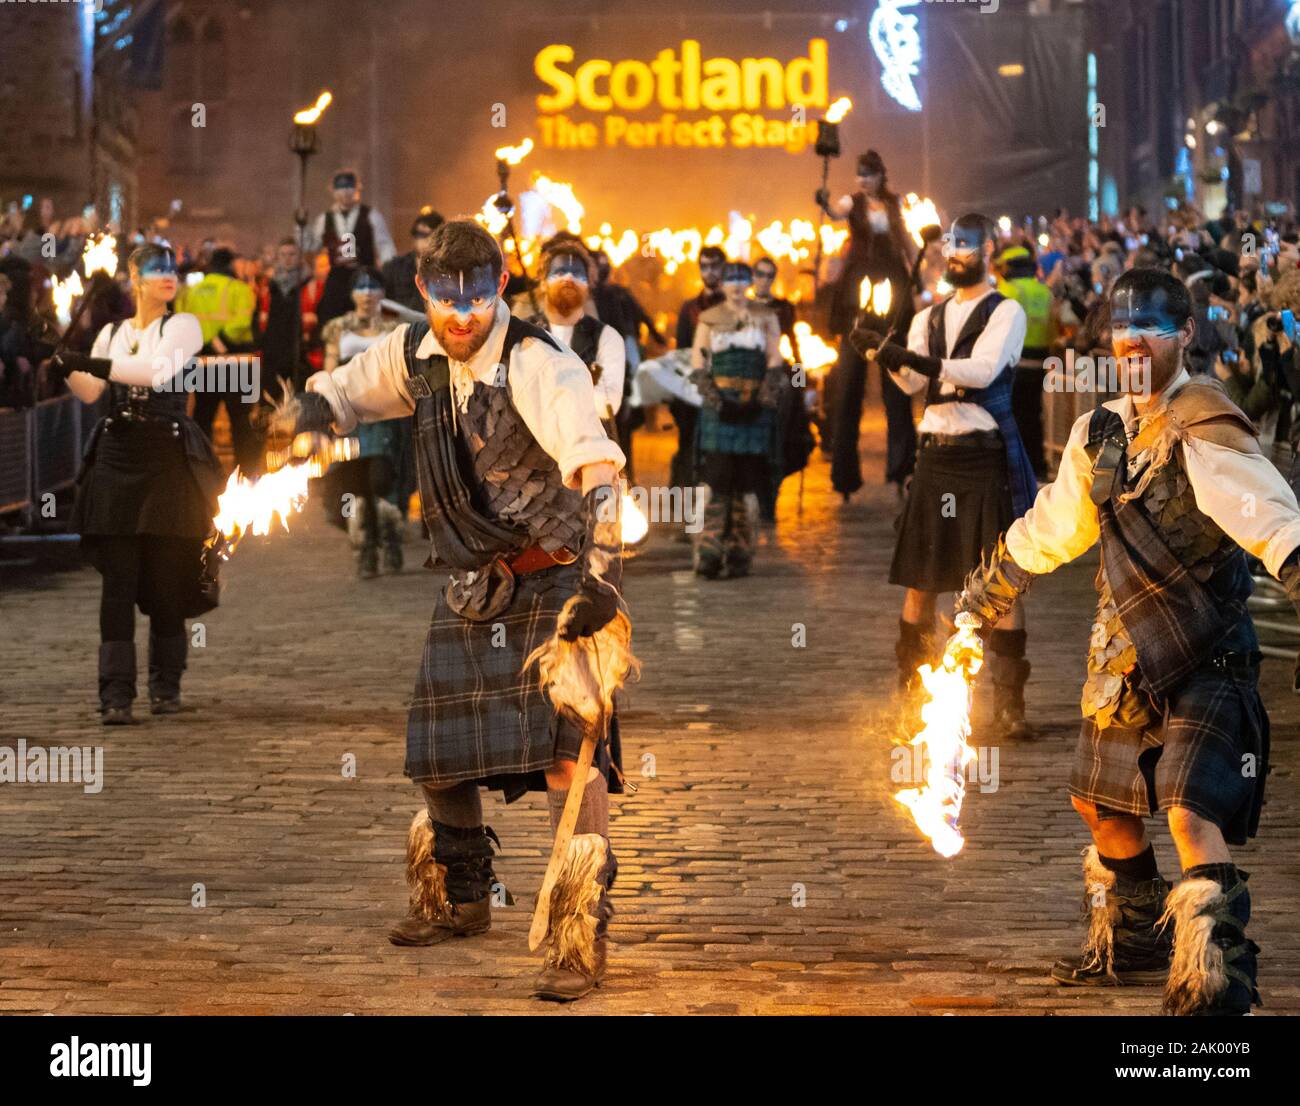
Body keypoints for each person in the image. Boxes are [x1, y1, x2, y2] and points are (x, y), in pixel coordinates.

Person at [289, 219, 628, 1001]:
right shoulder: (413, 356)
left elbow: (598, 470)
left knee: (566, 765)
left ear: (502, 286)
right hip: (474, 581)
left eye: (477, 298)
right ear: (423, 293)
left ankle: (578, 938)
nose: (463, 315)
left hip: (557, 581)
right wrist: (307, 417)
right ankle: (462, 900)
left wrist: (601, 584)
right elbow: (341, 393)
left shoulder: (543, 363)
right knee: (436, 755)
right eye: (447, 300)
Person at [953, 268, 1300, 1016]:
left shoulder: (1205, 423)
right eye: (1122, 329)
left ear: (1185, 336)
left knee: (1185, 808)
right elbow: (1058, 526)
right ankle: (1136, 933)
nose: (1131, 342)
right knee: (1100, 805)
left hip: (1203, 644)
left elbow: (1272, 520)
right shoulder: (1099, 429)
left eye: (1150, 329)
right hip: (1123, 651)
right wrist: (992, 588)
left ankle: (1215, 975)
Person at [851, 213, 1034, 741]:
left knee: (1003, 582)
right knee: (921, 580)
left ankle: (1010, 703)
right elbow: (911, 384)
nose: (954, 255)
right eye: (950, 247)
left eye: (965, 247)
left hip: (983, 456)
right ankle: (911, 691)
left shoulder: (1008, 312)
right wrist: (879, 354)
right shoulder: (927, 317)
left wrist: (906, 356)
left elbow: (982, 371)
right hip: (935, 456)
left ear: (988, 250)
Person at [48, 245, 224, 724]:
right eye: (155, 269)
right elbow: (92, 392)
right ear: (134, 277)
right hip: (118, 457)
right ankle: (116, 694)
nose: (168, 276)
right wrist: (65, 363)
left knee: (167, 580)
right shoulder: (112, 332)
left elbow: (156, 371)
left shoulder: (183, 327)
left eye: (172, 269)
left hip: (168, 458)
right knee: (118, 585)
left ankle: (166, 686)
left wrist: (90, 362)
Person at [818, 150, 918, 498]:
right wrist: (825, 202)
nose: (863, 180)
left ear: (880, 175)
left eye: (869, 175)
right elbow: (833, 214)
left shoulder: (894, 203)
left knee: (896, 387)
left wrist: (921, 270)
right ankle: (844, 477)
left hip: (892, 291)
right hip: (857, 294)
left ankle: (901, 471)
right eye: (860, 174)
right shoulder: (853, 202)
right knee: (848, 389)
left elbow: (905, 239)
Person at [688, 261, 785, 578]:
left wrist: (762, 400)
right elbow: (699, 365)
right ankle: (709, 552)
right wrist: (717, 402)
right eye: (731, 279)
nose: (736, 285)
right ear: (724, 284)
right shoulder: (710, 319)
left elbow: (775, 359)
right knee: (716, 480)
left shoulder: (765, 317)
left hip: (754, 410)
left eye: (742, 279)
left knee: (747, 484)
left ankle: (740, 552)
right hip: (720, 411)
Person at [317, 267, 411, 577]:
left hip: (387, 412)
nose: (368, 292)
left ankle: (391, 534)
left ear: (383, 292)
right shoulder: (337, 328)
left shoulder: (396, 325)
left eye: (374, 286)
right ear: (352, 293)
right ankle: (367, 549)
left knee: (381, 481)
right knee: (354, 484)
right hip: (349, 414)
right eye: (361, 286)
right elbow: (329, 372)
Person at [529, 234, 625, 433]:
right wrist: (584, 383)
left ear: (589, 286)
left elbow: (607, 405)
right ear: (543, 282)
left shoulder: (607, 338)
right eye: (560, 271)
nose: (569, 279)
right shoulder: (522, 335)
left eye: (578, 274)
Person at [179, 247, 261, 475]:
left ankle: (200, 474)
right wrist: (222, 341)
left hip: (204, 363)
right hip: (238, 363)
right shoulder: (240, 289)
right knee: (242, 424)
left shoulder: (192, 291)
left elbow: (183, 321)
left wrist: (207, 342)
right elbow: (241, 324)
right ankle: (247, 476)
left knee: (203, 421)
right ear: (231, 265)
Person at [751, 255, 813, 522]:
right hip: (750, 376)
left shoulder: (783, 308)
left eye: (769, 275)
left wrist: (800, 386)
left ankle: (770, 504)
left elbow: (794, 345)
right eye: (760, 275)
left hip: (778, 377)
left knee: (778, 443)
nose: (764, 280)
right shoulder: (743, 306)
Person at [307, 169, 397, 328]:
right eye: (341, 189)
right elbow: (311, 246)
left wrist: (390, 274)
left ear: (357, 190)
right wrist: (301, 228)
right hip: (337, 278)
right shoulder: (325, 219)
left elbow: (385, 247)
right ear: (333, 192)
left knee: (367, 323)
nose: (346, 193)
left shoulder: (371, 215)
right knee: (331, 321)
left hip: (365, 277)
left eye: (350, 188)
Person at [997, 245, 1057, 479]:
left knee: (1011, 416)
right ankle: (1037, 465)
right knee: (1033, 414)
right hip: (1039, 361)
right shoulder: (1044, 291)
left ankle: (1013, 466)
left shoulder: (1007, 289)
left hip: (1013, 363)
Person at [670, 246, 726, 491]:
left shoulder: (736, 306)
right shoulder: (689, 308)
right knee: (689, 445)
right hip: (693, 389)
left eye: (715, 266)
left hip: (726, 387)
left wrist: (798, 381)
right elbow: (681, 350)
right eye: (705, 266)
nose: (710, 271)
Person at [255, 237, 308, 394]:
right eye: (283, 254)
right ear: (277, 257)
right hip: (273, 353)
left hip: (299, 353)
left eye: (292, 254)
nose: (287, 259)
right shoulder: (269, 286)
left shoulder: (307, 283)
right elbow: (258, 318)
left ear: (300, 257)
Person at [383, 210, 444, 314]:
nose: (423, 240)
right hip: (400, 325)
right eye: (419, 234)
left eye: (429, 234)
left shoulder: (447, 270)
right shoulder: (395, 267)